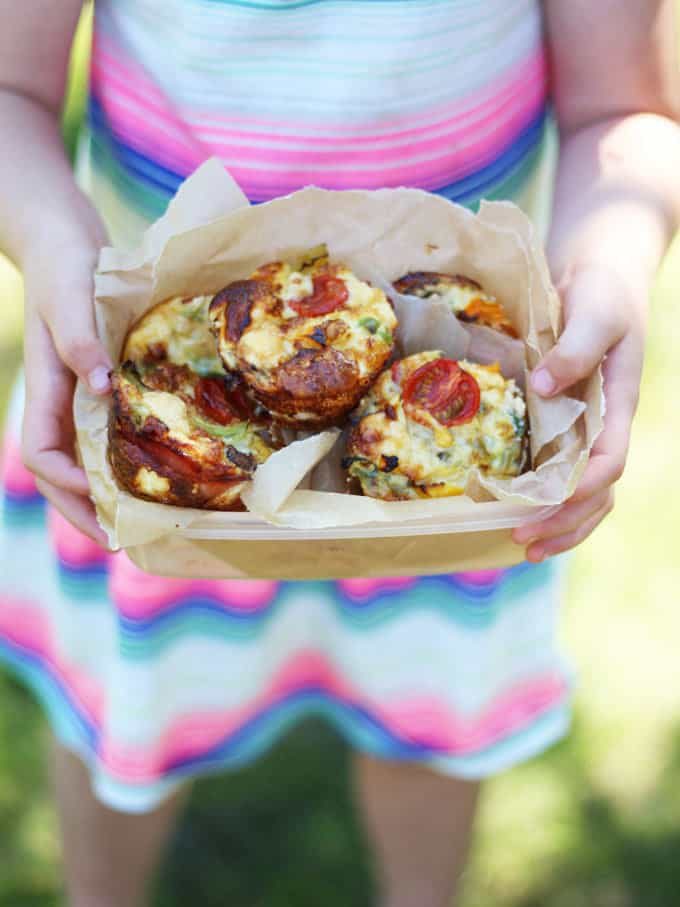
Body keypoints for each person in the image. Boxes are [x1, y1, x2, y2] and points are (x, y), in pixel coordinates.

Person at [0, 1, 678, 905]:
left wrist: (613, 262)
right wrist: (53, 249)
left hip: (455, 490)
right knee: (132, 711)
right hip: (154, 439)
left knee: (427, 712)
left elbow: (625, 110)